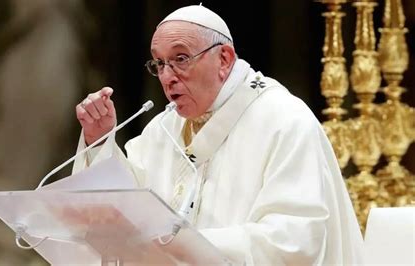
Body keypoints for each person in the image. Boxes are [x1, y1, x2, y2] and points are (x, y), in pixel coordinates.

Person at [72, 5, 363, 265]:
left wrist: (185, 246)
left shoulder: (284, 121)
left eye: (181, 58)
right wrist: (100, 141)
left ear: (224, 59)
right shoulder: (163, 129)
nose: (167, 76)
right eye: (159, 64)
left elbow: (294, 241)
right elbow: (126, 211)